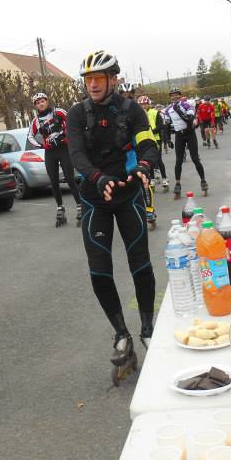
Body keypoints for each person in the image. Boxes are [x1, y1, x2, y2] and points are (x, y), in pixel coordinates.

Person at [66, 50, 160, 380]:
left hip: (129, 193)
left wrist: (146, 165)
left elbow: (148, 144)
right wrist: (97, 178)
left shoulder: (131, 109)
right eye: (87, 79)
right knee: (99, 271)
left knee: (141, 264)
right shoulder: (77, 114)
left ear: (113, 80)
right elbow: (76, 154)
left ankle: (148, 327)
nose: (92, 85)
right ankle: (121, 333)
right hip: (95, 198)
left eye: (98, 79)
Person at [28, 91, 82, 227]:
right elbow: (30, 137)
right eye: (38, 103)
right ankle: (60, 208)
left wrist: (65, 135)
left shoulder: (58, 112)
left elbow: (72, 123)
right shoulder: (35, 121)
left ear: (47, 101)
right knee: (54, 181)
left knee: (70, 179)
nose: (41, 104)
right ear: (35, 106)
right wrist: (41, 145)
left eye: (43, 101)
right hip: (50, 152)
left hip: (64, 149)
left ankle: (80, 206)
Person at [163, 88, 208, 198]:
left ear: (180, 95)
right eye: (172, 95)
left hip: (190, 133)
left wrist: (178, 110)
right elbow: (167, 125)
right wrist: (168, 139)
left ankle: (203, 180)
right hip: (179, 135)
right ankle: (177, 184)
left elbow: (189, 119)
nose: (174, 97)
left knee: (195, 158)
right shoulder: (168, 109)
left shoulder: (186, 105)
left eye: (176, 95)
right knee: (178, 161)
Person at [139, 95, 169, 192]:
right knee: (149, 161)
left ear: (149, 104)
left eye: (145, 104)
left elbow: (160, 126)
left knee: (158, 160)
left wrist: (151, 131)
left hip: (156, 139)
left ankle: (164, 179)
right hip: (145, 140)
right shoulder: (138, 115)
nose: (143, 106)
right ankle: (151, 180)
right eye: (141, 105)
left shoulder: (155, 113)